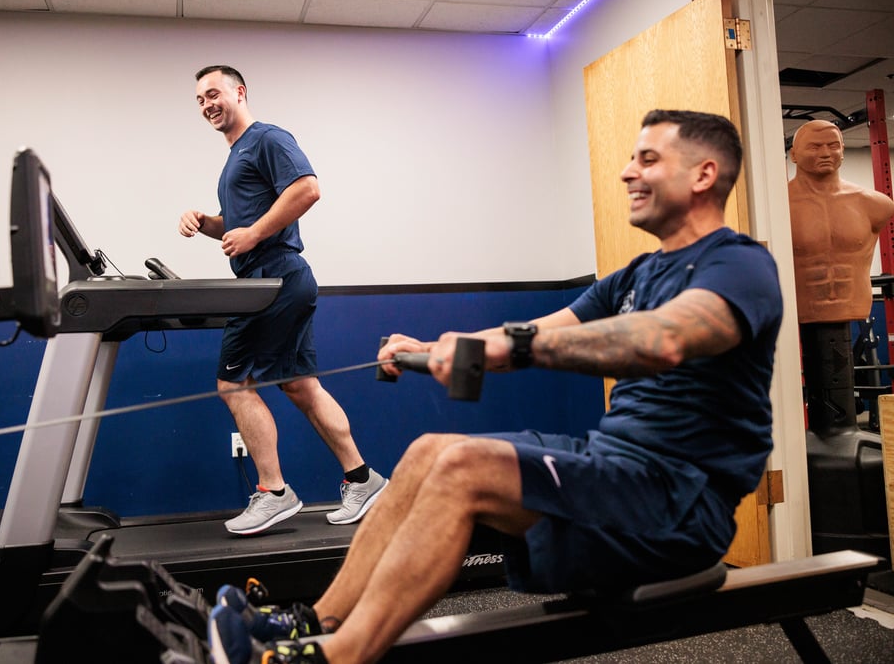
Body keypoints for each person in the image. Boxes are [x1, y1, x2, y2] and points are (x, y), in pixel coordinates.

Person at [209, 109, 783, 664]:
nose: (628, 172)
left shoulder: (739, 264)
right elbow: (535, 333)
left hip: (678, 503)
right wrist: (432, 348)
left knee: (464, 469)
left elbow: (665, 339)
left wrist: (516, 345)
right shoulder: (636, 276)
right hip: (615, 468)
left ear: (704, 174)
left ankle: (337, 657)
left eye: (648, 160)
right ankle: (314, 623)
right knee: (428, 453)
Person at [179, 65, 386, 535]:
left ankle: (273, 492)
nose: (207, 104)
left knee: (233, 385)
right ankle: (363, 480)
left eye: (213, 94)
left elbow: (308, 189)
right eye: (200, 100)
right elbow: (238, 227)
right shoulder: (235, 157)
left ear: (239, 92)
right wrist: (206, 222)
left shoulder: (267, 138)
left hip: (271, 279)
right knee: (301, 386)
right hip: (279, 278)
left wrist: (253, 233)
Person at [788, 119, 894, 324]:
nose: (826, 153)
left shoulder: (875, 204)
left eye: (833, 145)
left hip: (855, 307)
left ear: (842, 150)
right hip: (798, 312)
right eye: (814, 147)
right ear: (793, 155)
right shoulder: (778, 205)